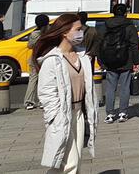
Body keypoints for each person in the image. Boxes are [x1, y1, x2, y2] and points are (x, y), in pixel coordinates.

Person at [33, 13, 98, 172]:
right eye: (77, 29)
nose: (80, 33)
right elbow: (46, 92)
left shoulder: (82, 57)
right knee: (70, 162)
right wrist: (55, 116)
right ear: (64, 32)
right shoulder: (52, 60)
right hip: (63, 114)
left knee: (70, 160)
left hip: (79, 113)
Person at [99, 4, 139, 124]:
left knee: (110, 87)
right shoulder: (129, 25)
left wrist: (101, 60)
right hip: (125, 59)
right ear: (125, 13)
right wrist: (136, 61)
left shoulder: (106, 25)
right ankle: (123, 112)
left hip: (110, 60)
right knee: (124, 86)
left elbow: (101, 43)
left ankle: (110, 114)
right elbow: (134, 45)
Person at [23, 14, 50, 110]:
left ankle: (29, 102)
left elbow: (30, 45)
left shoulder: (34, 34)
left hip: (34, 58)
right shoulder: (49, 33)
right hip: (46, 58)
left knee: (32, 80)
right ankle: (43, 101)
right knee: (45, 80)